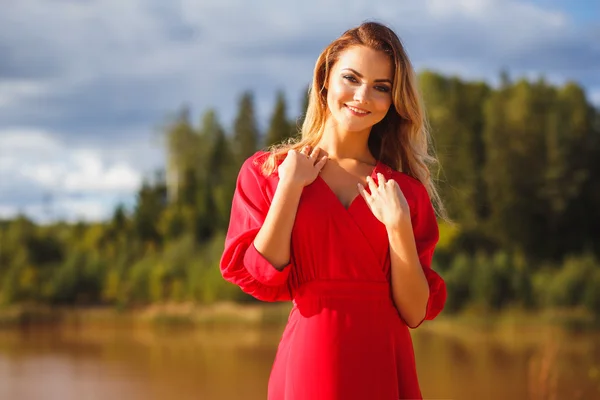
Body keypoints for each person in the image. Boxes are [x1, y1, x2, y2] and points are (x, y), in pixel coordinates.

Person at [220, 21, 447, 400]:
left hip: (383, 363)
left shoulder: (404, 192)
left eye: (381, 87)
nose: (362, 96)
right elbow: (264, 276)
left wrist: (398, 226)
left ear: (393, 101)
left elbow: (413, 312)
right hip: (311, 359)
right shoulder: (269, 172)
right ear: (325, 79)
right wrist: (290, 188)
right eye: (352, 78)